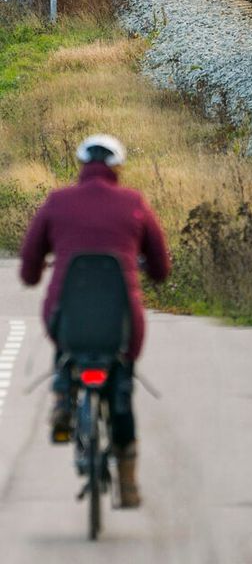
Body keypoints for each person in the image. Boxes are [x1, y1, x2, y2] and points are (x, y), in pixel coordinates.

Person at [19, 133, 170, 508]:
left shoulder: (57, 202)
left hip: (66, 317)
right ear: (117, 167)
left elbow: (28, 268)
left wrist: (37, 273)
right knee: (120, 385)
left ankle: (63, 398)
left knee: (67, 339)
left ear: (81, 166)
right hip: (121, 322)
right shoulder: (134, 203)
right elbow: (161, 267)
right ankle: (129, 483)